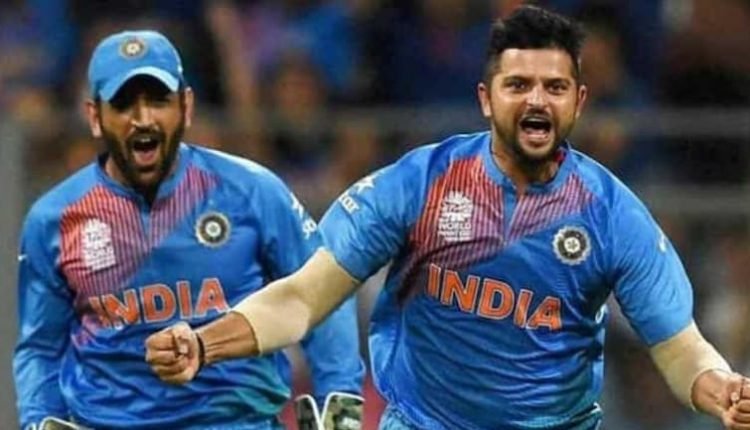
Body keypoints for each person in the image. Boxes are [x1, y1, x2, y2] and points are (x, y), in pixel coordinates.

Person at [145, 6, 750, 429]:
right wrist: (205, 342)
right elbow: (302, 297)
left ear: (578, 101)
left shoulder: (611, 214)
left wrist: (719, 388)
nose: (537, 100)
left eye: (554, 87)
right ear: (486, 98)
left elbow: (679, 347)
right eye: (518, 84)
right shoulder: (420, 184)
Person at [13, 29, 364, 430]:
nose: (143, 119)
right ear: (95, 117)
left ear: (186, 106)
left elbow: (322, 294)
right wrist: (39, 421)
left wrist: (340, 405)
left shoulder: (252, 191)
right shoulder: (53, 219)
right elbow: (40, 348)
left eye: (158, 100)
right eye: (124, 104)